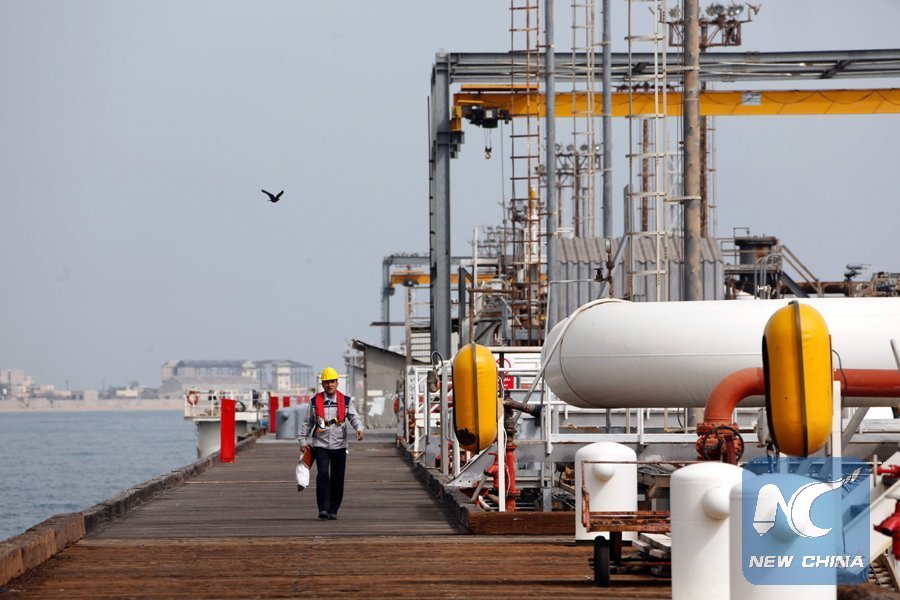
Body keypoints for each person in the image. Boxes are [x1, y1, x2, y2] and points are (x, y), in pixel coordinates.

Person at [298, 367, 365, 520]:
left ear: (337, 383)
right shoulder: (314, 402)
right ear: (322, 384)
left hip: (339, 445)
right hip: (320, 444)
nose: (330, 385)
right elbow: (308, 423)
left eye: (332, 382)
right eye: (327, 382)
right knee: (322, 475)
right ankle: (323, 508)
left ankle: (333, 509)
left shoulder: (346, 401)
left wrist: (359, 429)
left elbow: (354, 417)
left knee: (337, 478)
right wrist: (302, 440)